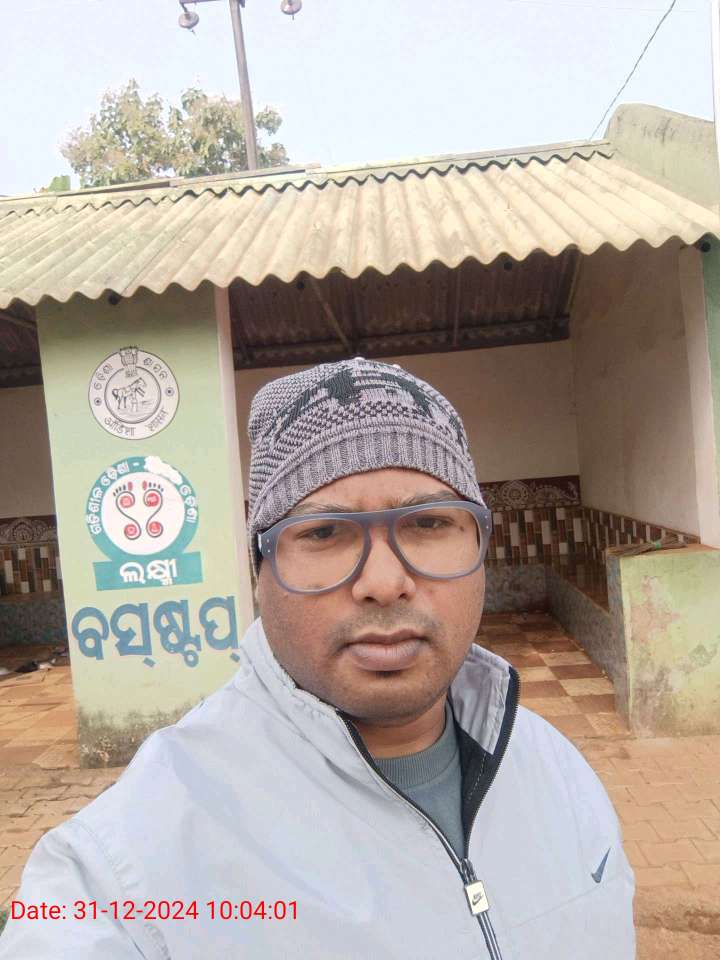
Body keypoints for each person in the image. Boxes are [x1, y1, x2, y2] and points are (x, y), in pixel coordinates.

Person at [0, 358, 635, 959]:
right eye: (324, 533)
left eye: (429, 524)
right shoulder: (125, 865)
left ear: (480, 547)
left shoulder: (556, 770)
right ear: (260, 574)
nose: (384, 582)